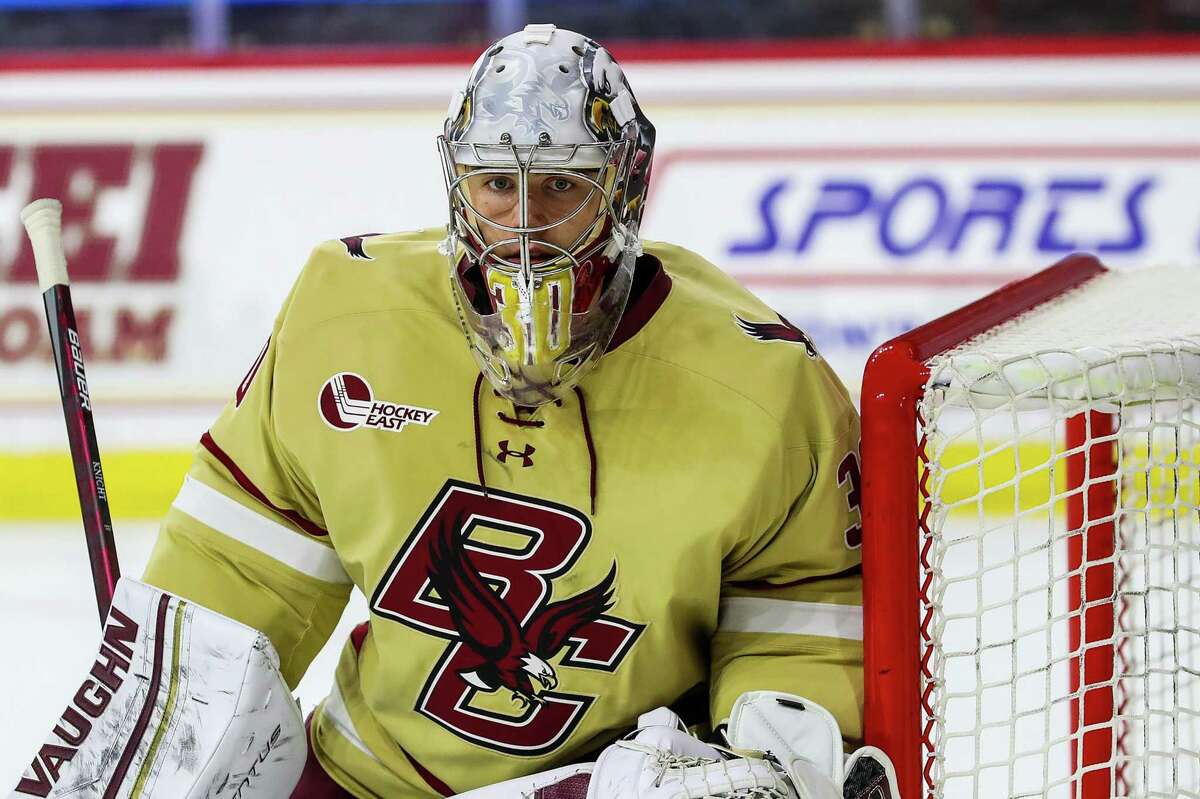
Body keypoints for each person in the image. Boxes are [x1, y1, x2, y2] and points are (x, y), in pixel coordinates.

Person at [141, 24, 872, 798]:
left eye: (562, 185)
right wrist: (164, 729)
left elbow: (802, 615)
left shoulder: (761, 384)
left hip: (603, 782)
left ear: (621, 190)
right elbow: (237, 570)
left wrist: (769, 756)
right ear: (459, 185)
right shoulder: (344, 317)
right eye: (497, 184)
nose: (523, 223)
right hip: (369, 775)